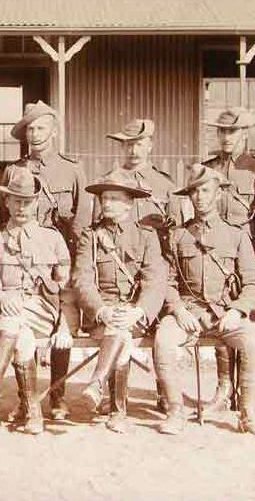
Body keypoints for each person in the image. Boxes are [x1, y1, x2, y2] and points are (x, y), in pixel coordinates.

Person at [154, 164, 255, 437]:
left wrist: (238, 310)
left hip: (224, 313)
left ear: (218, 194)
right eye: (194, 192)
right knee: (163, 340)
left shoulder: (236, 234)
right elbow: (167, 281)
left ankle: (248, 414)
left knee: (253, 343)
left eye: (206, 191)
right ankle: (175, 411)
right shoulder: (179, 235)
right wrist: (178, 309)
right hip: (189, 312)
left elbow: (254, 283)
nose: (200, 197)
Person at [2, 100, 91, 421]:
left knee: (61, 327)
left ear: (54, 131)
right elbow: (5, 221)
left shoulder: (72, 169)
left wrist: (77, 270)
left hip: (59, 264)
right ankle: (27, 399)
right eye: (30, 129)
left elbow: (81, 226)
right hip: (24, 265)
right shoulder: (15, 171)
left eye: (41, 127)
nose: (35, 134)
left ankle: (57, 396)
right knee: (20, 327)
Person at [0, 168, 71, 434]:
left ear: (36, 203)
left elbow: (64, 286)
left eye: (27, 201)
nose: (22, 207)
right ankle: (33, 413)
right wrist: (3, 298)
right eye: (16, 200)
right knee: (21, 335)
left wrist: (65, 324)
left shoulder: (53, 238)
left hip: (44, 312)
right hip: (6, 316)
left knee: (15, 322)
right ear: (6, 202)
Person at [102, 117, 189, 413]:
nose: (133, 150)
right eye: (127, 144)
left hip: (157, 270)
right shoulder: (110, 180)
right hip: (118, 269)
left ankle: (164, 392)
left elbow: (176, 231)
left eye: (139, 143)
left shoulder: (164, 184)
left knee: (161, 329)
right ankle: (111, 395)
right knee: (118, 321)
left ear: (150, 144)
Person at [72, 170, 167, 433]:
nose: (107, 204)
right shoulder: (89, 238)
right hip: (101, 316)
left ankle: (97, 384)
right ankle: (117, 411)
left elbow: (154, 281)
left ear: (129, 203)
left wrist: (138, 312)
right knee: (118, 330)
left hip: (135, 316)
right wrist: (100, 310)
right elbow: (82, 279)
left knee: (122, 328)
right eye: (104, 198)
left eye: (114, 198)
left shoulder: (146, 236)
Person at [201, 107, 255, 414]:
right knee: (220, 321)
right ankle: (223, 389)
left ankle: (246, 395)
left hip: (250, 258)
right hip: (218, 258)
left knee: (247, 324)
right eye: (222, 131)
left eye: (232, 132)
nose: (226, 137)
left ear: (245, 133)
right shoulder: (207, 168)